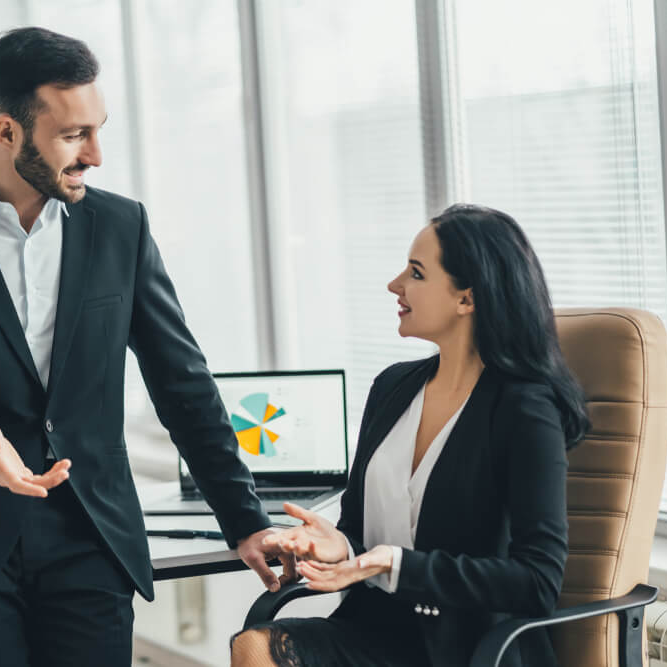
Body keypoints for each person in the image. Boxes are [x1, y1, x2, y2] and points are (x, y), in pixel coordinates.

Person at [0, 26, 292, 667]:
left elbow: (182, 381)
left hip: (90, 537)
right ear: (6, 132)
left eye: (98, 128)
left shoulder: (121, 227)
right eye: (73, 136)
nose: (96, 154)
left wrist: (244, 516)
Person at [230, 204, 591, 667]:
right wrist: (339, 546)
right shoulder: (392, 388)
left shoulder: (524, 409)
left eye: (416, 273)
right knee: (255, 647)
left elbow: (537, 581)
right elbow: (360, 534)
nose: (394, 284)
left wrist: (395, 564)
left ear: (467, 298)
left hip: (471, 647)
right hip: (374, 630)